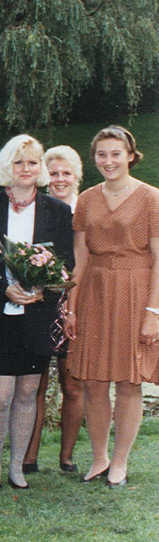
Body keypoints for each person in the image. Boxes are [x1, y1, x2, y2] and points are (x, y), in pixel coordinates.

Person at [0, 134, 73, 492]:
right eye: (18, 162)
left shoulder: (58, 211)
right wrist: (4, 286)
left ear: (40, 168)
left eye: (32, 162)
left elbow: (66, 263)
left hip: (37, 315)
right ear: (6, 167)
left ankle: (17, 467)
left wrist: (42, 287)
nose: (26, 169)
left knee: (28, 394)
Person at [66, 125, 159, 487]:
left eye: (116, 153)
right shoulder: (86, 199)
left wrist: (154, 312)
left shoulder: (152, 198)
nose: (109, 161)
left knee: (128, 381)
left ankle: (120, 462)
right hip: (95, 291)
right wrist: (71, 307)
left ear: (131, 156)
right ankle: (100, 456)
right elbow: (80, 257)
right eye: (102, 154)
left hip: (136, 291)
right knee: (91, 380)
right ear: (94, 159)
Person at [22, 145, 84, 476]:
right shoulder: (35, 211)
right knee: (35, 385)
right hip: (40, 305)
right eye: (54, 173)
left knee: (73, 385)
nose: (60, 179)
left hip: (77, 306)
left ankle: (67, 456)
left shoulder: (87, 209)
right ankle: (28, 457)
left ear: (77, 177)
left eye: (66, 173)